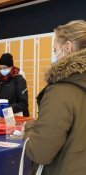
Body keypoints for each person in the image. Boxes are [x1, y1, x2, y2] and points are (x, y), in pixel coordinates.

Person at [24, 20, 86, 175]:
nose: (54, 55)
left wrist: (30, 128)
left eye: (55, 50)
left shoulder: (61, 90)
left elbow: (40, 152)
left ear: (68, 47)